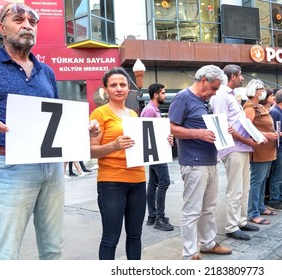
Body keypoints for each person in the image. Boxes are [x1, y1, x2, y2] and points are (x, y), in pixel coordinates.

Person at [0, 3, 97, 259]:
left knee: (53, 249)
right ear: (1, 27)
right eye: (19, 19)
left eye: (32, 22)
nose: (27, 25)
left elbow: (54, 122)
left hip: (51, 167)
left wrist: (81, 129)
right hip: (8, 166)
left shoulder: (47, 72)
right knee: (6, 253)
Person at [90, 67, 167, 260]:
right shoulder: (99, 114)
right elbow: (91, 150)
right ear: (105, 89)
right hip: (111, 182)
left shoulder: (134, 114)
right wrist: (113, 145)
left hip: (138, 180)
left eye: (123, 84)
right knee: (110, 237)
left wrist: (164, 142)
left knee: (135, 235)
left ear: (128, 89)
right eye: (113, 85)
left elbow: (143, 146)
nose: (119, 88)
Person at [169, 65, 232, 260]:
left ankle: (208, 243)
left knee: (209, 207)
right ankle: (189, 252)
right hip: (194, 162)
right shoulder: (183, 98)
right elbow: (170, 127)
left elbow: (206, 126)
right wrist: (198, 133)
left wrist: (222, 129)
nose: (213, 94)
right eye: (213, 88)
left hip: (209, 160)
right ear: (203, 80)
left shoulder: (205, 102)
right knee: (192, 209)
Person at [210, 64, 260, 241]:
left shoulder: (232, 96)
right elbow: (223, 125)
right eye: (240, 75)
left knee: (244, 187)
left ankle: (241, 220)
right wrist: (247, 139)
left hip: (243, 147)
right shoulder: (221, 95)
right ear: (232, 77)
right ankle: (231, 226)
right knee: (235, 189)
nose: (242, 78)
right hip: (233, 148)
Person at [243, 80, 277, 225]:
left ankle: (260, 206)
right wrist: (266, 135)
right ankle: (253, 212)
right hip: (260, 149)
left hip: (267, 148)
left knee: (263, 180)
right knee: (257, 181)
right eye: (261, 89)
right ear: (255, 91)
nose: (264, 91)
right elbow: (247, 128)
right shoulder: (250, 107)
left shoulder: (259, 106)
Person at [141, 83, 174, 231]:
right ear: (156, 94)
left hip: (156, 152)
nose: (165, 96)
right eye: (163, 93)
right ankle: (159, 217)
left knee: (153, 184)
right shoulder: (150, 111)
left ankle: (152, 216)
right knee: (164, 182)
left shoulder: (153, 110)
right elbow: (148, 135)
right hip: (156, 153)